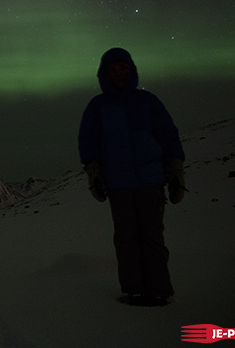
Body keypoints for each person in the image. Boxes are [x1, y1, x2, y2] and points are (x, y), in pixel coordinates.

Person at [77, 47, 186, 307]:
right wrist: (94, 173)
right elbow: (89, 141)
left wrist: (175, 168)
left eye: (123, 68)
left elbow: (168, 134)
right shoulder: (98, 107)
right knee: (126, 237)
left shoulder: (148, 102)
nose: (118, 74)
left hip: (151, 181)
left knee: (152, 236)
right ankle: (134, 290)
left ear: (131, 70)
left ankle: (159, 290)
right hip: (119, 184)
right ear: (104, 74)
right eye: (112, 70)